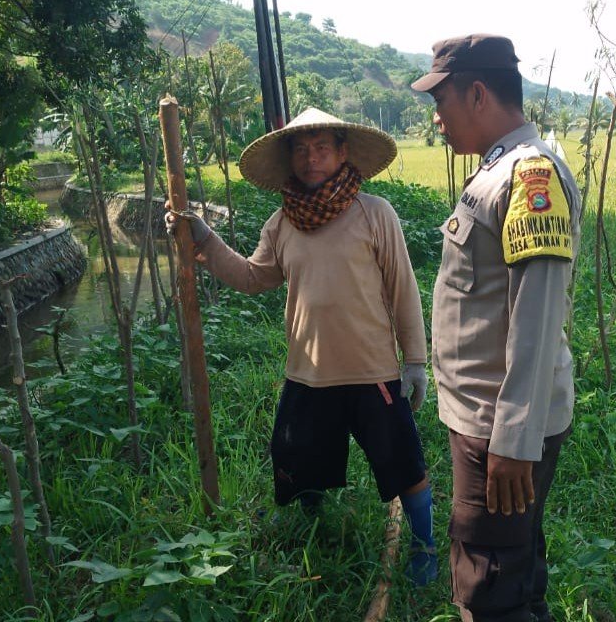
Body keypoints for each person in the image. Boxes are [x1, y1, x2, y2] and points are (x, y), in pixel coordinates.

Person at [165, 107, 437, 585]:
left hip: (371, 371)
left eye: (322, 148)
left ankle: (424, 546)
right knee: (297, 458)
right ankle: (311, 531)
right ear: (290, 158)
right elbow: (253, 278)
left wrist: (415, 361)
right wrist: (203, 240)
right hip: (307, 372)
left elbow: (403, 289)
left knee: (403, 462)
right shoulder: (281, 223)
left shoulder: (374, 213)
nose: (311, 159)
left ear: (342, 152)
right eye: (301, 150)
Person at [411, 34, 581, 620]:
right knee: (513, 566)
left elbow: (536, 316)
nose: (437, 120)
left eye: (442, 103)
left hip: (498, 428)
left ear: (478, 93)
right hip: (489, 419)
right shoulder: (498, 170)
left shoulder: (530, 177)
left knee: (487, 585)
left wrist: (513, 440)